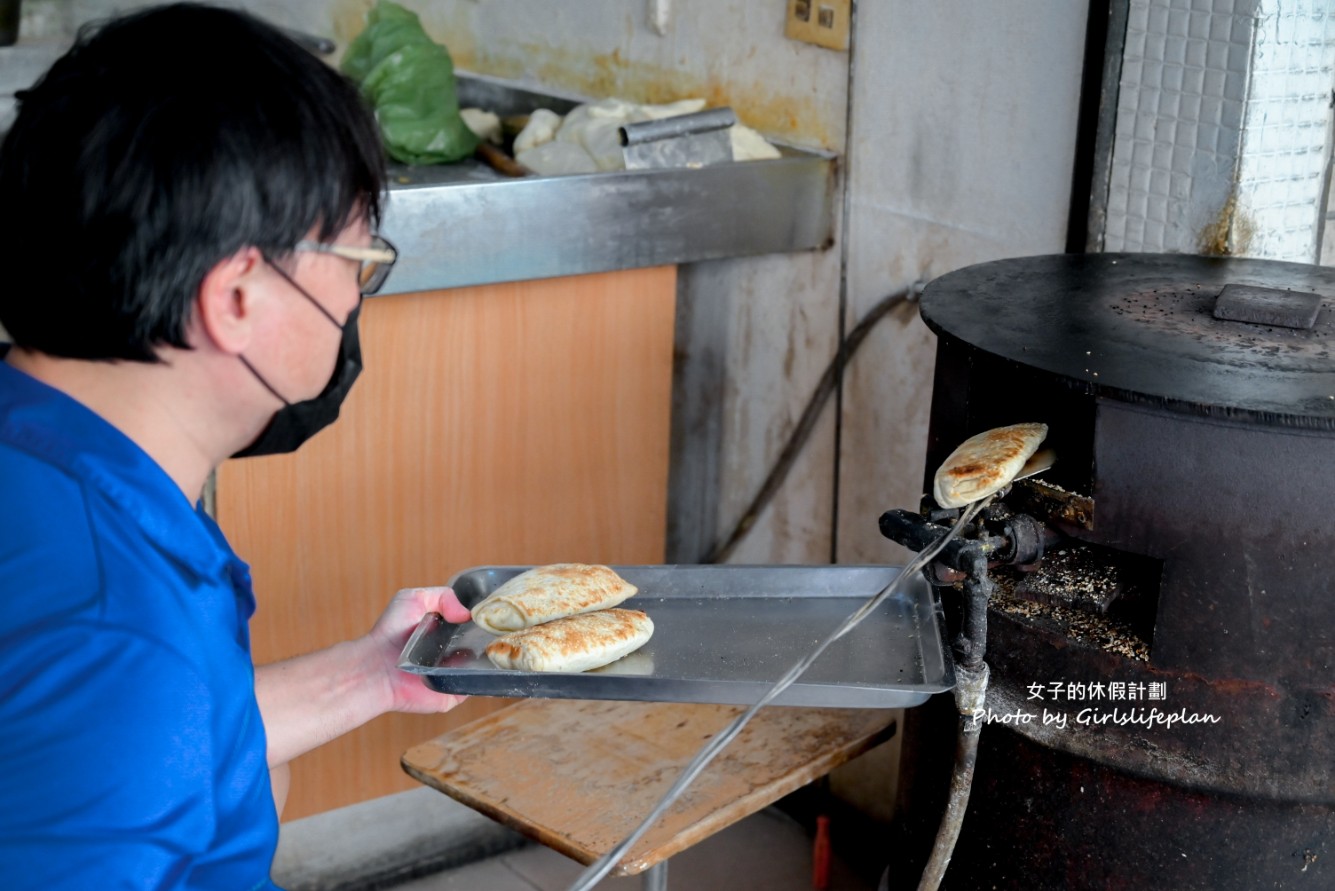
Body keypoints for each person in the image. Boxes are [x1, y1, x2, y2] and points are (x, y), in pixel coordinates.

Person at [0, 4, 473, 888]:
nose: (353, 298)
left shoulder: (56, 460)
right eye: (357, 260)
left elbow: (137, 742)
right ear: (237, 299)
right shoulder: (113, 626)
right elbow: (123, 709)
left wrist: (374, 673)